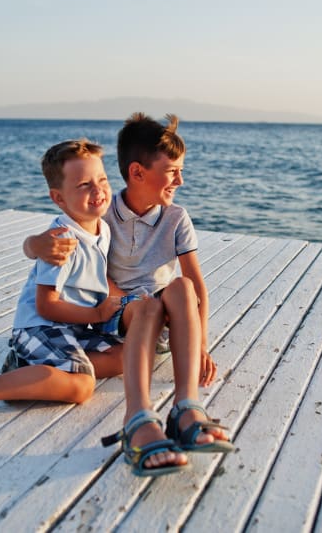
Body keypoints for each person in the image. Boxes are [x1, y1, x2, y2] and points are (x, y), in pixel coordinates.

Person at [25, 113, 234, 477]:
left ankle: (187, 407)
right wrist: (34, 245)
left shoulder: (176, 218)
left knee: (182, 287)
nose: (180, 180)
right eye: (172, 171)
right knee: (144, 306)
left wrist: (200, 345)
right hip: (120, 314)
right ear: (138, 173)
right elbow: (60, 237)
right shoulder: (103, 214)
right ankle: (138, 418)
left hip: (164, 320)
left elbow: (196, 284)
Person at [0, 139, 125, 438]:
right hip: (41, 326)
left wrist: (123, 301)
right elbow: (46, 305)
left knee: (124, 357)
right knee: (82, 386)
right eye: (83, 185)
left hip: (73, 323)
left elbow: (96, 275)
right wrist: (97, 314)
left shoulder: (101, 228)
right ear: (58, 198)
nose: (98, 190)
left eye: (102, 179)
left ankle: (26, 371)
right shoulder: (60, 242)